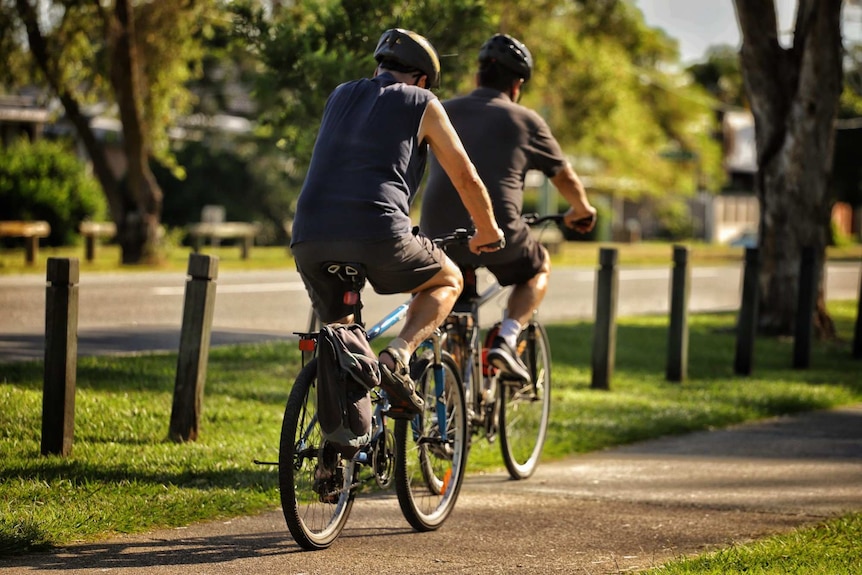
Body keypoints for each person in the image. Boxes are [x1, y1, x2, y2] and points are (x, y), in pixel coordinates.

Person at [290, 28, 505, 416]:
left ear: (379, 67)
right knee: (449, 278)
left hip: (309, 236)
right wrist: (488, 230)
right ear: (423, 78)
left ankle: (332, 461)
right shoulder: (423, 101)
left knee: (341, 341)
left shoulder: (340, 94)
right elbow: (465, 176)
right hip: (379, 233)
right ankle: (397, 357)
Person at [420, 33, 597, 382]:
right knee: (537, 267)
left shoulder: (442, 109)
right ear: (517, 85)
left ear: (477, 78)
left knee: (448, 294)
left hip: (436, 236)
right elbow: (564, 178)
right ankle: (508, 337)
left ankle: (446, 386)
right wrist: (582, 210)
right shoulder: (527, 121)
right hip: (498, 235)